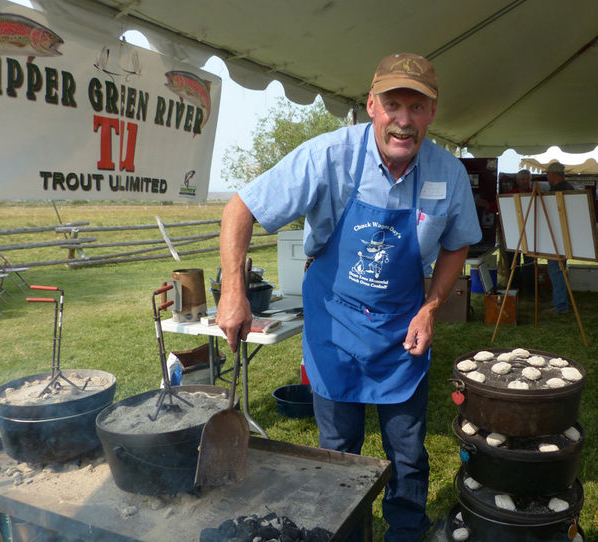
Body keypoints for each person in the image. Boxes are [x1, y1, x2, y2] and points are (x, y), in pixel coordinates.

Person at [216, 52, 481, 541]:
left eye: (416, 108)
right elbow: (241, 208)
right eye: (393, 104)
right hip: (335, 326)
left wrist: (431, 306)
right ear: (371, 105)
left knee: (408, 449)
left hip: (402, 331)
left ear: (432, 113)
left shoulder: (449, 173)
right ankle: (345, 529)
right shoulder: (327, 156)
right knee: (339, 451)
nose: (404, 121)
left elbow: (457, 242)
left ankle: (405, 529)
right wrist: (234, 289)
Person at [545, 161, 573, 314]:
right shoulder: (569, 188)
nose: (547, 177)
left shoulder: (556, 191)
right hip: (566, 235)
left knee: (556, 270)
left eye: (548, 174)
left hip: (556, 236)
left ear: (553, 175)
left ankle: (560, 305)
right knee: (560, 269)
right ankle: (560, 301)